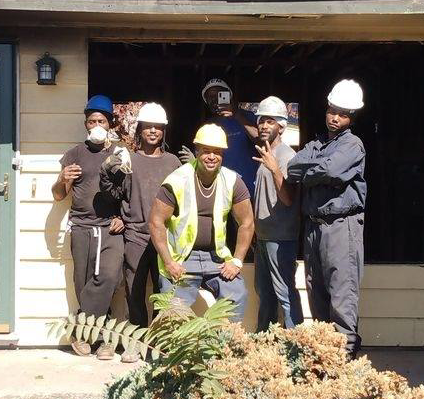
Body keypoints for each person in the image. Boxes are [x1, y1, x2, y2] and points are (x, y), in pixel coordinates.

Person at [287, 80, 366, 359]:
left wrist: (310, 173)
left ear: (351, 117)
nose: (335, 117)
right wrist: (315, 171)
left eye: (343, 113)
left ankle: (345, 359)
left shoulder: (353, 145)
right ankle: (323, 357)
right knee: (316, 291)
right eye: (332, 110)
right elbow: (292, 166)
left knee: (341, 293)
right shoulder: (318, 142)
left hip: (341, 226)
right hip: (314, 226)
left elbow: (331, 171)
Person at [149, 123, 254, 321]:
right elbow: (156, 222)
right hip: (182, 259)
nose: (212, 157)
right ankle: (175, 351)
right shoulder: (177, 180)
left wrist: (237, 261)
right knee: (173, 311)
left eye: (217, 152)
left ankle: (223, 348)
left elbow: (247, 223)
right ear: (197, 151)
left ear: (223, 154)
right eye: (206, 151)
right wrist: (169, 262)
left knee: (237, 295)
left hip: (216, 258)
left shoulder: (232, 181)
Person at [99, 103, 180, 357]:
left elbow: (185, 201)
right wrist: (106, 172)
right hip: (134, 235)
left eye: (158, 127)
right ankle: (136, 343)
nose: (153, 131)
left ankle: (158, 344)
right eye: (148, 127)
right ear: (140, 130)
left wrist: (194, 168)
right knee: (134, 291)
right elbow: (113, 194)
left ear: (164, 131)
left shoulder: (173, 162)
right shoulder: (128, 160)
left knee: (162, 293)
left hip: (165, 238)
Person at [51, 95, 124, 360]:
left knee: (108, 278)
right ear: (85, 124)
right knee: (82, 284)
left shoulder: (119, 152)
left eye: (101, 121)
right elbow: (59, 195)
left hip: (111, 228)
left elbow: (129, 191)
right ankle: (103, 337)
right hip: (81, 227)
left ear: (110, 123)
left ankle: (81, 330)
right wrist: (62, 179)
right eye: (92, 121)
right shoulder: (74, 153)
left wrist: (123, 217)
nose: (96, 125)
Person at [251, 96, 303, 331]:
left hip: (281, 238)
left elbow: (288, 198)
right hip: (263, 236)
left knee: (284, 292)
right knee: (265, 293)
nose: (263, 125)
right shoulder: (266, 153)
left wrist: (274, 169)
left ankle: (297, 346)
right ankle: (265, 343)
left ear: (281, 126)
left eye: (270, 121)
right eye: (261, 120)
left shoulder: (286, 156)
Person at [198, 78, 259, 197]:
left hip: (249, 188)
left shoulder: (247, 117)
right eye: (210, 97)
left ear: (228, 96)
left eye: (219, 94)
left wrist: (236, 115)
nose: (215, 99)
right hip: (221, 191)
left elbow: (260, 140)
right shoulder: (208, 126)